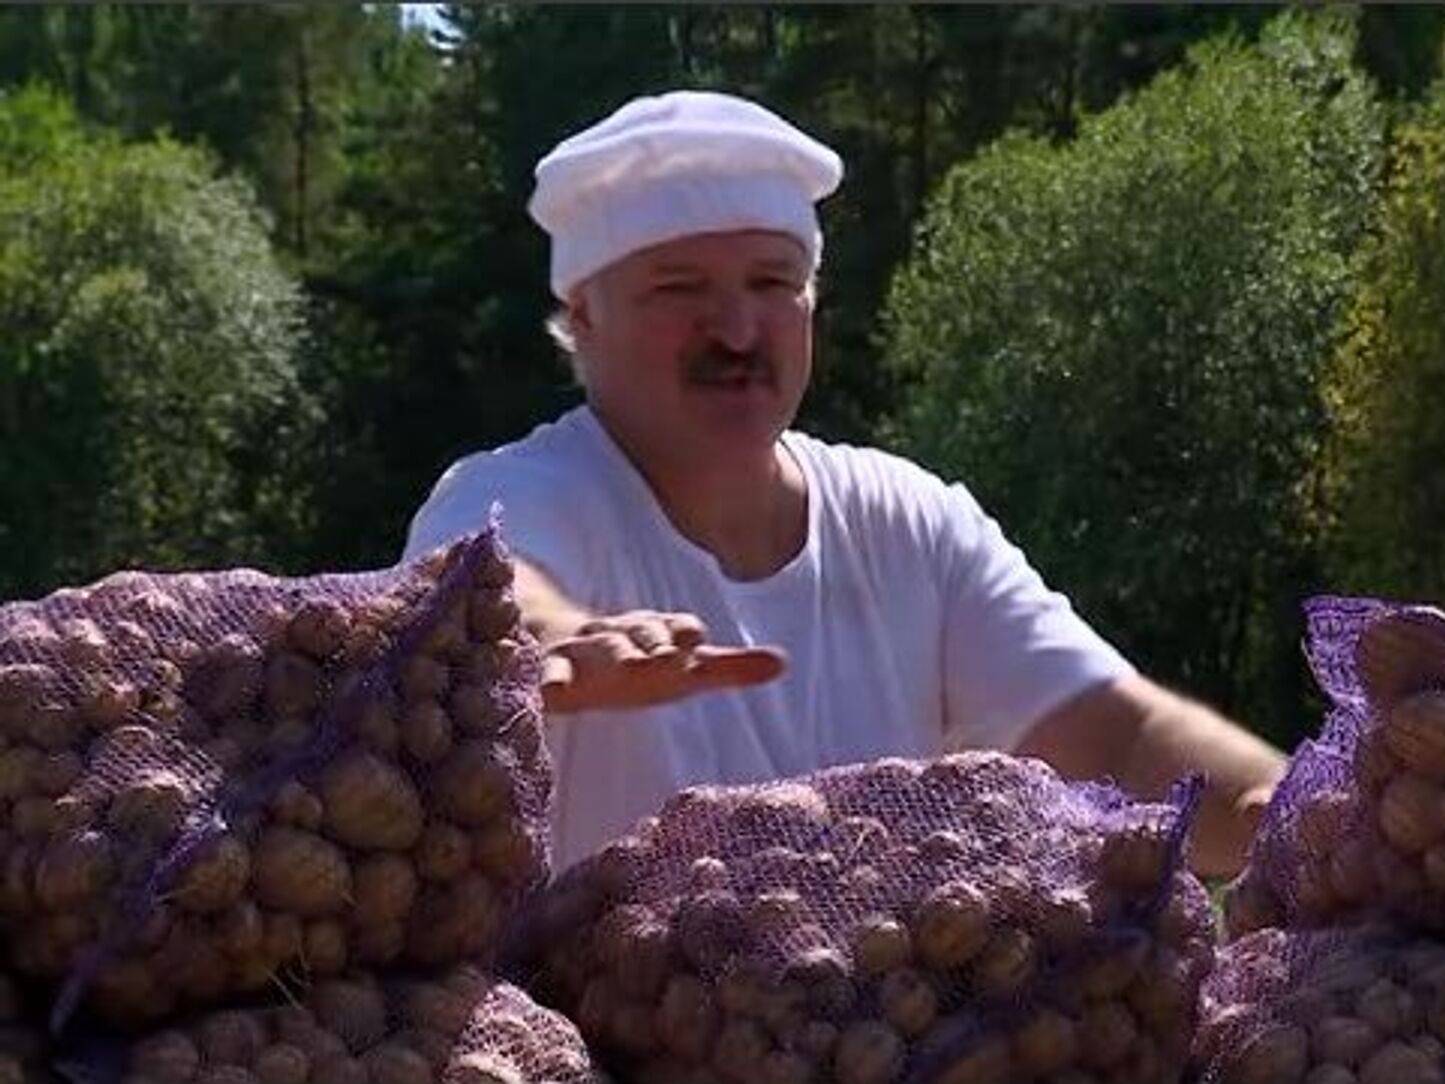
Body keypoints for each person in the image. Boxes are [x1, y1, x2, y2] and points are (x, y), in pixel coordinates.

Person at [404, 90, 1286, 873]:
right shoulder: (523, 491)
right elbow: (490, 588)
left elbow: (1119, 739)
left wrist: (1296, 814)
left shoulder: (908, 522)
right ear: (584, 317)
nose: (737, 330)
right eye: (678, 289)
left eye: (772, 282)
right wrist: (562, 642)